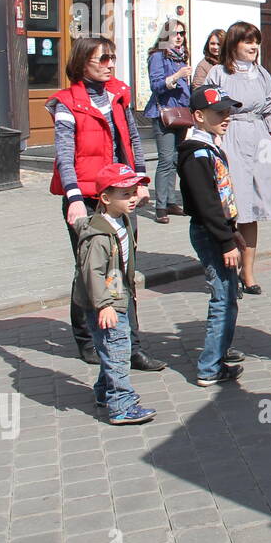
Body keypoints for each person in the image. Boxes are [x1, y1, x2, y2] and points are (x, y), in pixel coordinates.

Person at [48, 35, 164, 372]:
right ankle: (86, 340)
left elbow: (133, 141)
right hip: (86, 196)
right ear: (83, 62)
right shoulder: (67, 103)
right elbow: (65, 157)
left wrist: (140, 181)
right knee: (91, 270)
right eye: (103, 59)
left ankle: (132, 346)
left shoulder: (118, 95)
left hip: (121, 193)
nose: (110, 64)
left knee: (124, 270)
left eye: (112, 58)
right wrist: (74, 200)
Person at [73, 163, 158, 424]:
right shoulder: (98, 235)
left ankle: (104, 392)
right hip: (105, 304)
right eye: (125, 194)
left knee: (112, 348)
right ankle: (121, 405)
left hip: (116, 296)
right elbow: (92, 273)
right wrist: (104, 306)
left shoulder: (120, 221)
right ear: (105, 198)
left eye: (134, 192)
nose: (133, 198)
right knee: (119, 351)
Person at [177, 85, 247, 388]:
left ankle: (218, 358)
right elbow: (207, 205)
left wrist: (233, 232)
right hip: (210, 233)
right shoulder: (196, 153)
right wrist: (226, 241)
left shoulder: (208, 145)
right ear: (198, 116)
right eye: (219, 112)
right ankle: (209, 366)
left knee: (229, 296)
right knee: (222, 298)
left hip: (219, 231)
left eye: (228, 111)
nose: (226, 117)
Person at [206, 23, 271, 294]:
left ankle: (247, 273)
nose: (253, 47)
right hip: (230, 134)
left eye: (256, 42)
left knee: (252, 208)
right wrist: (213, 136)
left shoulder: (262, 73)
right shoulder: (219, 73)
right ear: (234, 44)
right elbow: (208, 106)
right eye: (248, 42)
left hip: (259, 136)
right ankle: (226, 272)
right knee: (231, 203)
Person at [144, 18, 192, 224]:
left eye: (182, 33)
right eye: (175, 33)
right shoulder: (158, 56)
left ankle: (171, 201)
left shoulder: (181, 57)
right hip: (163, 113)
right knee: (165, 160)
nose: (179, 37)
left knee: (175, 159)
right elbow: (156, 85)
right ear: (166, 36)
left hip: (181, 113)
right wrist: (177, 76)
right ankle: (160, 206)